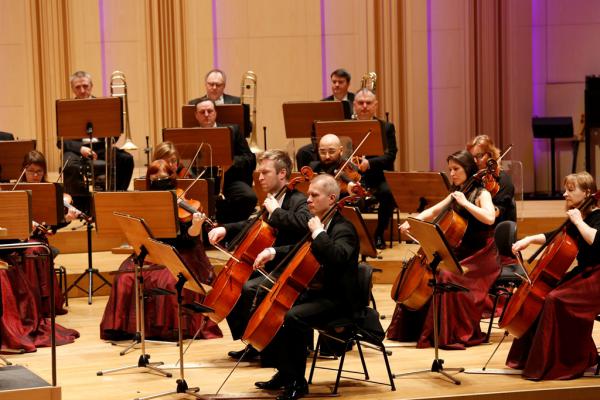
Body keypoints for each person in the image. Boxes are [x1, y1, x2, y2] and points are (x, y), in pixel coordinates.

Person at [252, 174, 360, 400]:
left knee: (293, 316)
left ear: (332, 199)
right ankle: (284, 372)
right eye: (308, 194)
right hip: (318, 293)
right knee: (274, 304)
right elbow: (300, 248)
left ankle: (298, 383)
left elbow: (338, 257)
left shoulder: (343, 228)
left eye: (314, 195)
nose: (308, 199)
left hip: (339, 301)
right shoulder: (318, 222)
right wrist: (273, 252)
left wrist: (319, 233)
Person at [387, 150, 499, 349]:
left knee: (445, 276)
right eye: (450, 170)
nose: (452, 174)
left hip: (479, 255)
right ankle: (415, 329)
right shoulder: (457, 192)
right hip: (459, 250)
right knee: (427, 271)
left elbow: (490, 218)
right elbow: (433, 211)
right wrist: (412, 222)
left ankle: (447, 333)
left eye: (456, 169)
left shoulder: (482, 193)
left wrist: (466, 204)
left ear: (468, 169)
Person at [100, 159, 221, 341]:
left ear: (172, 178)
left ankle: (166, 329)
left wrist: (196, 225)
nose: (159, 181)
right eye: (155, 177)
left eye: (164, 177)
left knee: (168, 281)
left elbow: (189, 240)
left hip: (179, 252)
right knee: (125, 276)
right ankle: (128, 328)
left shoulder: (188, 204)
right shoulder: (144, 202)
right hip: (151, 250)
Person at [207, 150, 311, 361]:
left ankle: (264, 342)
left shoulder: (298, 200)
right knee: (233, 287)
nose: (260, 177)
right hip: (267, 262)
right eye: (259, 172)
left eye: (265, 172)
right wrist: (225, 229)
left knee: (248, 288)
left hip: (288, 263)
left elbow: (304, 226)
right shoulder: (273, 199)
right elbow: (252, 224)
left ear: (282, 174)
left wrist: (276, 212)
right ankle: (251, 341)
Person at [505, 172, 600, 380]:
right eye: (565, 189)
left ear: (587, 193)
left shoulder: (596, 216)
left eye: (571, 189)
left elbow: (597, 240)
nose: (565, 193)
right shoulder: (580, 215)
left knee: (555, 300)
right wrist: (528, 239)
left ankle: (565, 361)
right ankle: (532, 357)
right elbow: (554, 235)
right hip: (584, 274)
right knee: (545, 295)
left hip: (596, 278)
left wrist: (578, 222)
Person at [58, 71, 134, 213]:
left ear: (91, 86)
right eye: (78, 87)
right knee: (69, 165)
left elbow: (115, 135)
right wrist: (81, 148)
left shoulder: (103, 106)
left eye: (85, 86)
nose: (82, 90)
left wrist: (112, 130)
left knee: (126, 159)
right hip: (76, 150)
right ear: (72, 88)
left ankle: (116, 197)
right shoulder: (66, 109)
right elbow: (61, 141)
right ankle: (80, 206)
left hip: (101, 148)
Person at [194, 99, 257, 223]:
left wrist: (230, 163)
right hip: (201, 180)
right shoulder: (191, 133)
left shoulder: (233, 130)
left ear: (215, 113)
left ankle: (230, 228)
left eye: (210, 111)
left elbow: (249, 158)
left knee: (249, 197)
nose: (206, 114)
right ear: (196, 115)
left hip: (229, 181)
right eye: (202, 112)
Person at [352, 88, 398, 249]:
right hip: (352, 177)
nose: (364, 106)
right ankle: (350, 236)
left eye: (368, 103)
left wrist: (369, 163)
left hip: (378, 177)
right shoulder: (346, 126)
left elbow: (390, 155)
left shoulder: (386, 128)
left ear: (375, 105)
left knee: (388, 192)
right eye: (360, 103)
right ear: (354, 105)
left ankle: (379, 233)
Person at [296, 68, 354, 169]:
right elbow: (314, 128)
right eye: (334, 82)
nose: (336, 85)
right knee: (302, 152)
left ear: (348, 84)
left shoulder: (356, 101)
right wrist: (317, 144)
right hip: (326, 142)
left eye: (340, 82)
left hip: (350, 142)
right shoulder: (323, 103)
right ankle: (307, 180)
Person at [467, 135, 516, 224]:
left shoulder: (503, 180)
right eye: (471, 157)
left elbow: (499, 211)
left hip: (496, 231)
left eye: (479, 155)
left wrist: (482, 206)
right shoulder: (474, 179)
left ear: (491, 155)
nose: (474, 161)